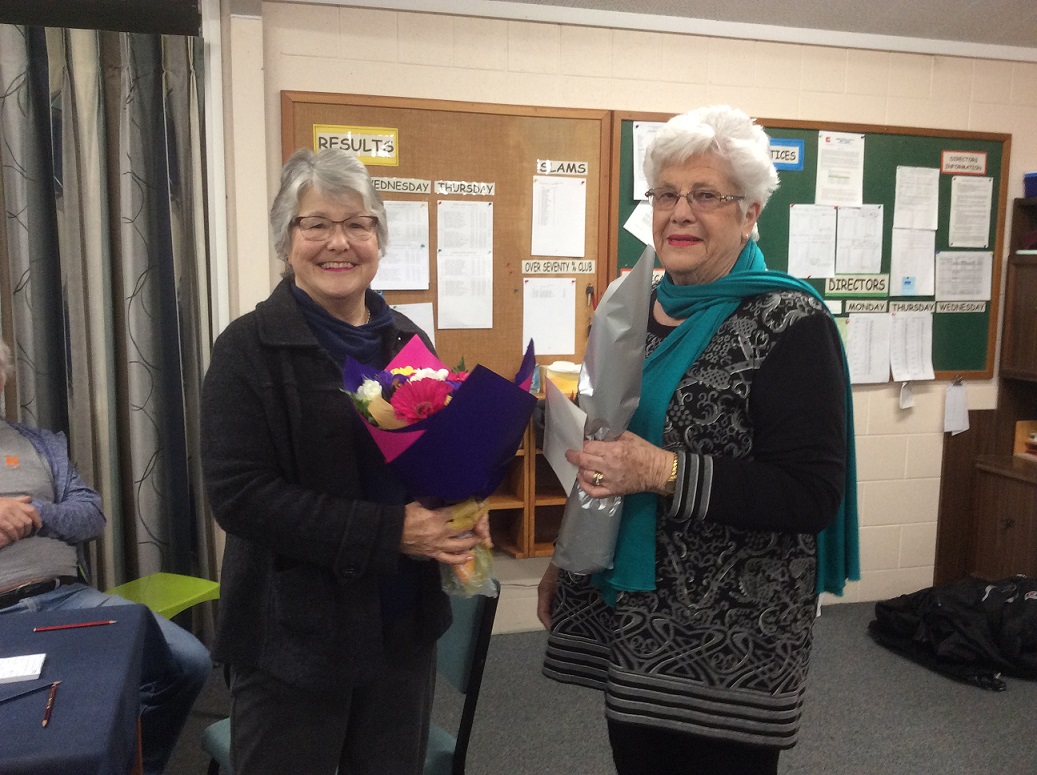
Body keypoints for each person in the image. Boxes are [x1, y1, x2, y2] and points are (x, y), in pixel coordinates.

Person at [537, 105, 858, 775]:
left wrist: (661, 470)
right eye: (665, 194)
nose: (679, 212)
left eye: (705, 195)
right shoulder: (631, 306)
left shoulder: (791, 323)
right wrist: (564, 558)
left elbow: (809, 494)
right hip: (633, 620)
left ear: (749, 212)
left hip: (729, 642)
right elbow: (604, 440)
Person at [200, 147, 489, 775]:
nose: (340, 242)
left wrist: (462, 506)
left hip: (400, 626)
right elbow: (240, 497)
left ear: (379, 240)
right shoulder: (247, 349)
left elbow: (428, 460)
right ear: (287, 240)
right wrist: (391, 532)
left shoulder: (406, 339)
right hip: (292, 638)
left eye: (359, 224)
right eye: (317, 224)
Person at [0, 340, 212, 775]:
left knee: (187, 662)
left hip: (67, 600)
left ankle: (133, 766)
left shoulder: (38, 444)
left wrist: (34, 513)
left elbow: (91, 518)